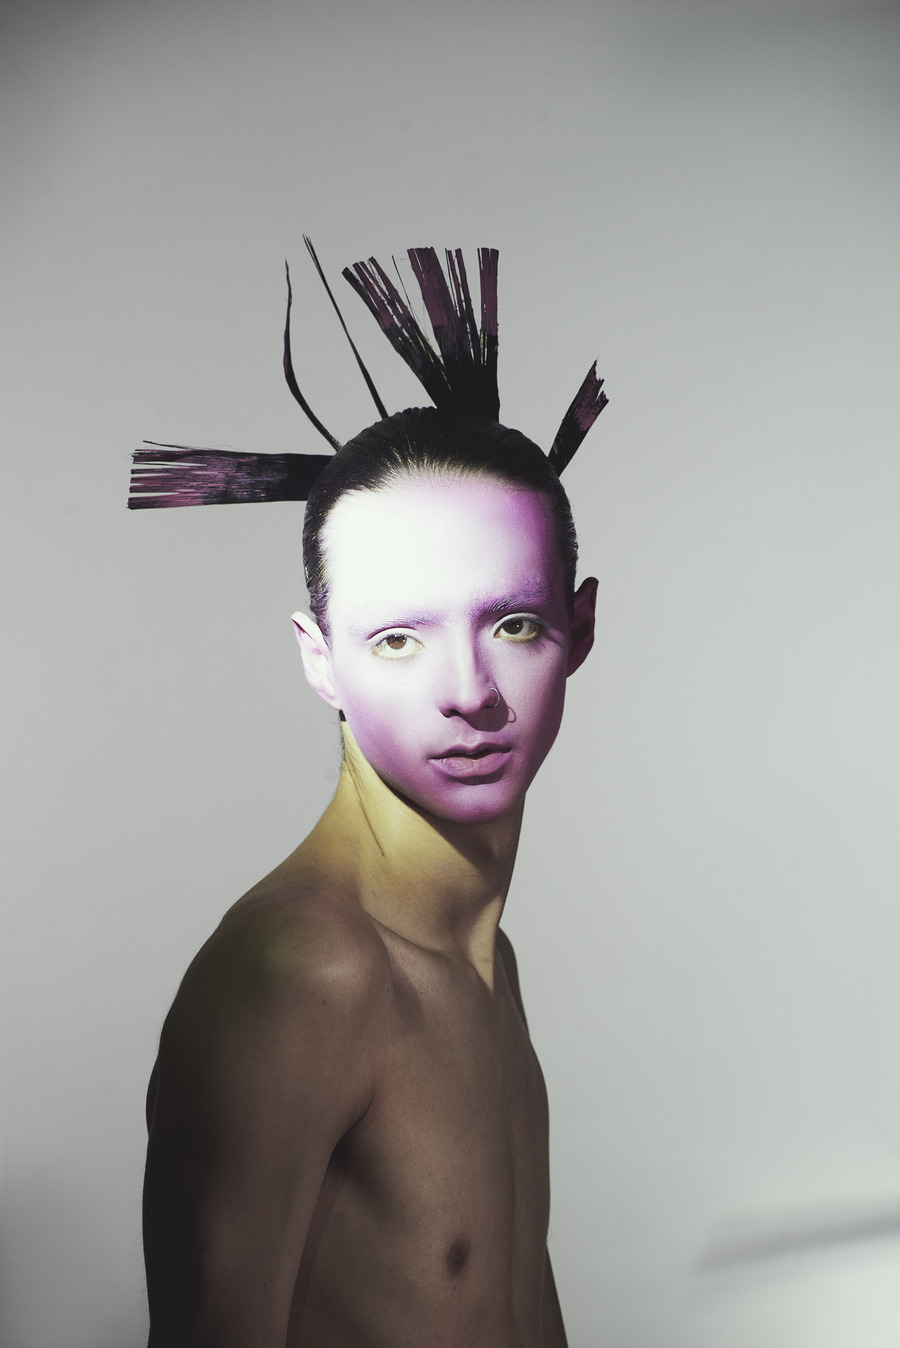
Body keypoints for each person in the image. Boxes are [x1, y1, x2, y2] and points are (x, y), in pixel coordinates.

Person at [133, 244, 607, 1347]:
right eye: (399, 638)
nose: (468, 691)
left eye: (513, 623)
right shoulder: (309, 973)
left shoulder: (482, 959)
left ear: (579, 628)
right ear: (321, 658)